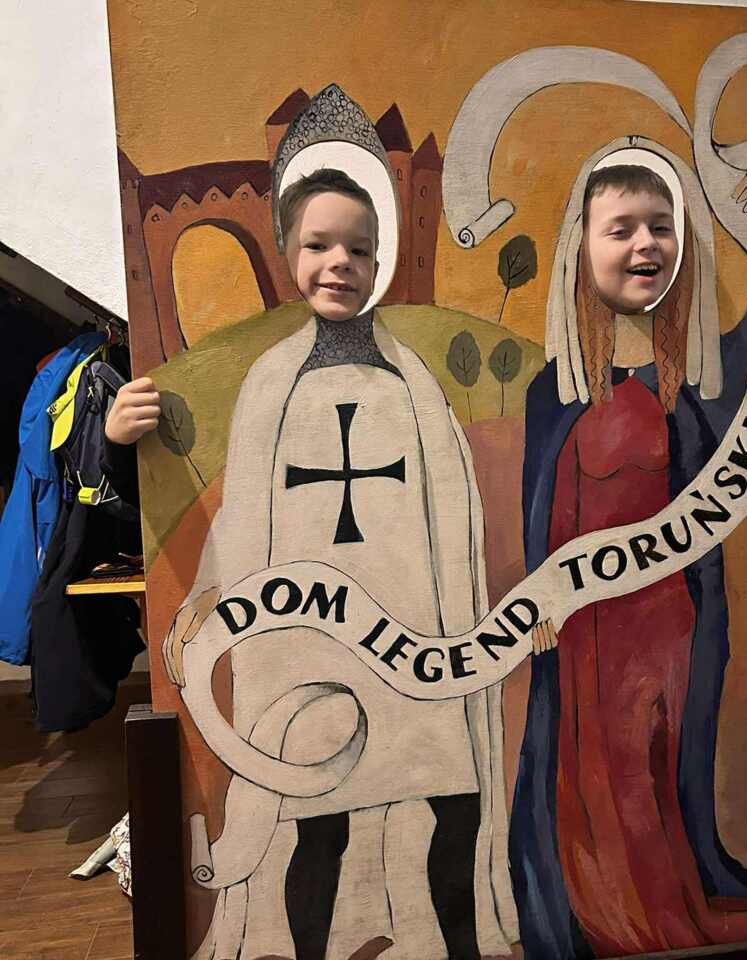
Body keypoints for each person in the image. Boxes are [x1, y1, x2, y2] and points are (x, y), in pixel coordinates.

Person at [161, 85, 517, 960]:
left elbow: (453, 519)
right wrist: (210, 590)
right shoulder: (270, 385)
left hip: (414, 637)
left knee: (455, 804)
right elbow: (243, 510)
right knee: (320, 821)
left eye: (359, 248)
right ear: (288, 252)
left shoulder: (413, 381)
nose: (339, 264)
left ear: (380, 257)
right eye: (319, 245)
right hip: (311, 647)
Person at [510, 161, 747, 958]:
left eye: (661, 227)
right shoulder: (551, 394)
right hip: (584, 638)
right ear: (582, 247)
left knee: (650, 781)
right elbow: (542, 514)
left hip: (667, 634)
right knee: (590, 785)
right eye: (621, 228)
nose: (645, 245)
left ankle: (656, 928)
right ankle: (595, 928)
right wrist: (539, 604)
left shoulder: (696, 388)